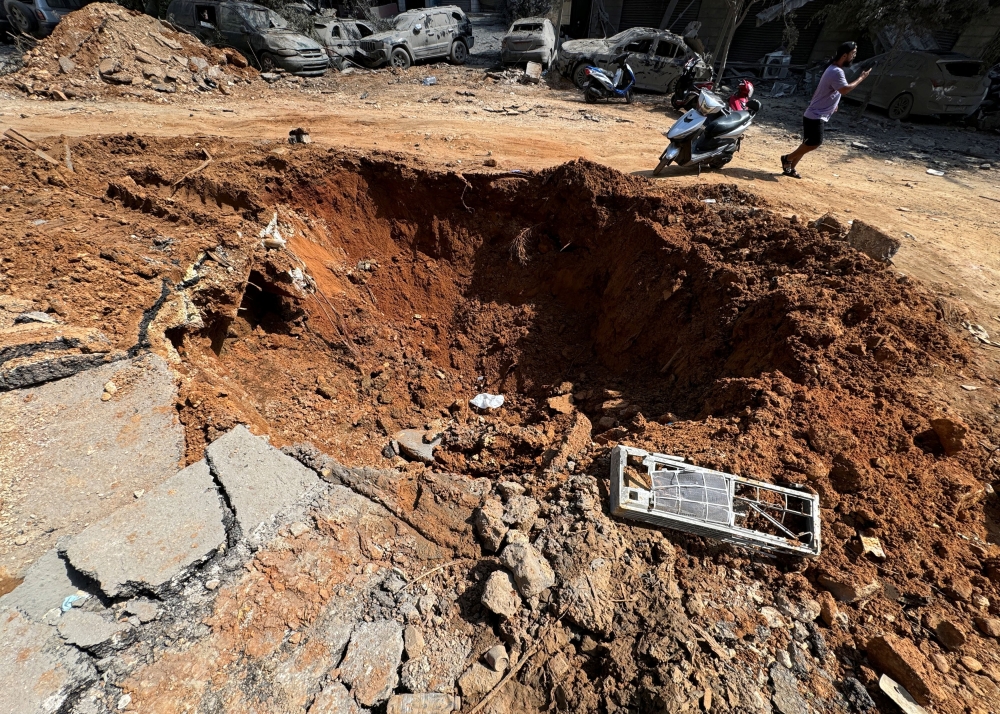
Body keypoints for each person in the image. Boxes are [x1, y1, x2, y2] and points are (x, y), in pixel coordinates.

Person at [780, 41, 870, 178]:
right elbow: (845, 90)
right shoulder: (836, 71)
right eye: (853, 54)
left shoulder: (833, 68)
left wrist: (835, 104)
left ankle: (790, 168)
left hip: (815, 113)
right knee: (814, 143)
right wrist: (861, 78)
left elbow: (833, 90)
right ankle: (787, 158)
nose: (854, 56)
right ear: (845, 55)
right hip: (815, 115)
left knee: (806, 144)